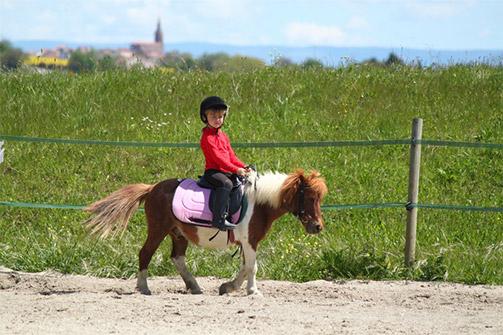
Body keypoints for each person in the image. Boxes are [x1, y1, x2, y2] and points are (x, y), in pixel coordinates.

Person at [199, 96, 249, 231]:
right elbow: (219, 159)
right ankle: (218, 219)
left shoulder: (223, 135)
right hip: (214, 172)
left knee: (239, 182)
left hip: (225, 170)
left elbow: (231, 156)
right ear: (205, 117)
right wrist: (236, 170)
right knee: (226, 184)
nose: (217, 120)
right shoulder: (207, 138)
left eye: (220, 116)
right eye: (213, 116)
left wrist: (243, 166)